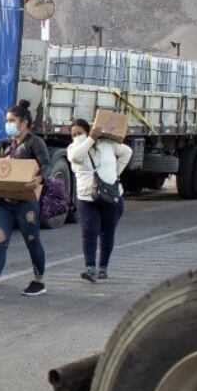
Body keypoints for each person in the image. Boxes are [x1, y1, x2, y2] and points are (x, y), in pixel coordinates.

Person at [0, 100, 51, 300]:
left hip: (26, 200)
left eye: (12, 120)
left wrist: (39, 179)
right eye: (7, 120)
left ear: (24, 122)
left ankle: (38, 280)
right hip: (3, 201)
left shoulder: (34, 142)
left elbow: (47, 164)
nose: (8, 124)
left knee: (32, 240)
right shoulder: (3, 144)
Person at [67, 118, 133, 282]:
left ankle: (103, 267)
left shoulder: (106, 144)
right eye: (74, 134)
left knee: (107, 233)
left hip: (111, 196)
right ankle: (90, 268)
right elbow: (76, 157)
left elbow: (127, 152)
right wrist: (89, 139)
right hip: (87, 198)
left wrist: (116, 173)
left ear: (89, 130)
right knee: (89, 231)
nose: (77, 137)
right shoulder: (74, 148)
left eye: (80, 133)